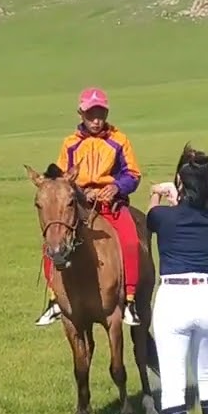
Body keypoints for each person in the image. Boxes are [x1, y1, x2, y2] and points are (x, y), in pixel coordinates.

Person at [145, 145, 208, 414]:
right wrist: (180, 193)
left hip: (174, 298)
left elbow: (151, 219)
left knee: (174, 382)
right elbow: (198, 208)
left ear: (180, 181)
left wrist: (159, 194)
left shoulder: (163, 215)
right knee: (207, 373)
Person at [34, 87, 144, 327]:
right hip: (81, 206)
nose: (96, 120)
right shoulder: (70, 144)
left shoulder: (119, 140)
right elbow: (62, 180)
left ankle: (130, 300)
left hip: (111, 205)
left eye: (100, 114)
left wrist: (116, 187)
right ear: (80, 114)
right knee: (52, 241)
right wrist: (83, 192)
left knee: (130, 241)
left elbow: (133, 174)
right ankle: (55, 300)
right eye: (90, 114)